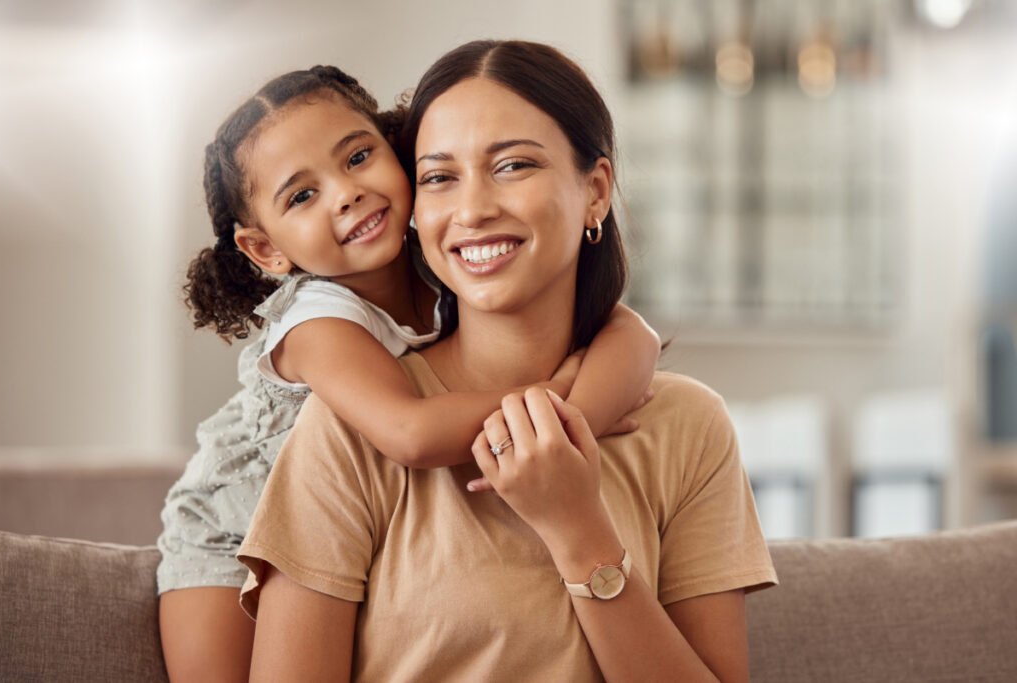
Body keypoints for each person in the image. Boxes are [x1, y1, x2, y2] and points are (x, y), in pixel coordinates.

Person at [238, 40, 778, 682]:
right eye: (439, 177)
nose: (472, 209)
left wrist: (578, 531)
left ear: (596, 190)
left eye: (514, 165)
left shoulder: (687, 425)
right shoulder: (351, 426)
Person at [156, 65, 661, 681]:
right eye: (302, 196)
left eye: (359, 157)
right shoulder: (316, 321)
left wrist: (567, 435)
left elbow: (635, 337)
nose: (345, 193)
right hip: (227, 524)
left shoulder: (451, 254)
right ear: (267, 249)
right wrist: (548, 400)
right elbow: (412, 433)